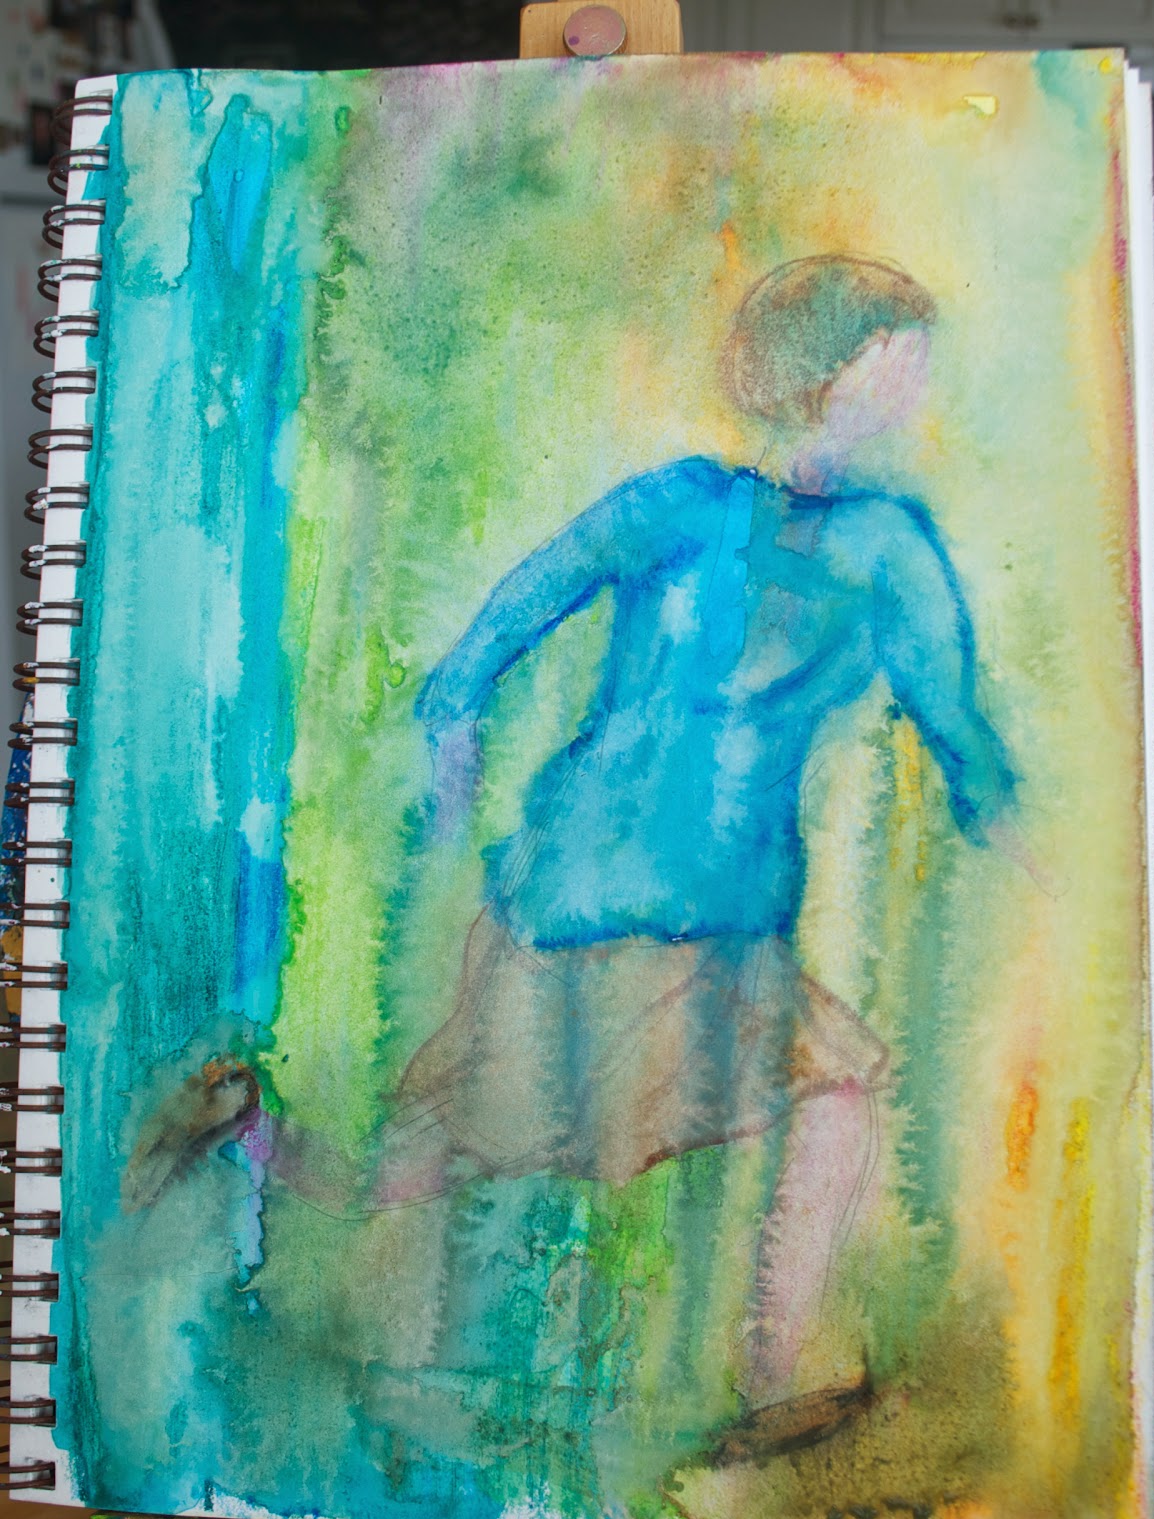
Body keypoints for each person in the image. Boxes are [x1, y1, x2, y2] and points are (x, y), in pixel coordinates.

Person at [126, 254, 1017, 1452]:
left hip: (721, 919)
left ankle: (770, 1378)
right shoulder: (686, 503)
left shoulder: (887, 546)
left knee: (824, 1096)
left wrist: (1045, 860)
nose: (914, 374)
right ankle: (252, 1142)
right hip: (576, 898)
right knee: (434, 1157)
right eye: (895, 349)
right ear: (829, 367)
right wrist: (453, 727)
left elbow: (964, 739)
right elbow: (521, 604)